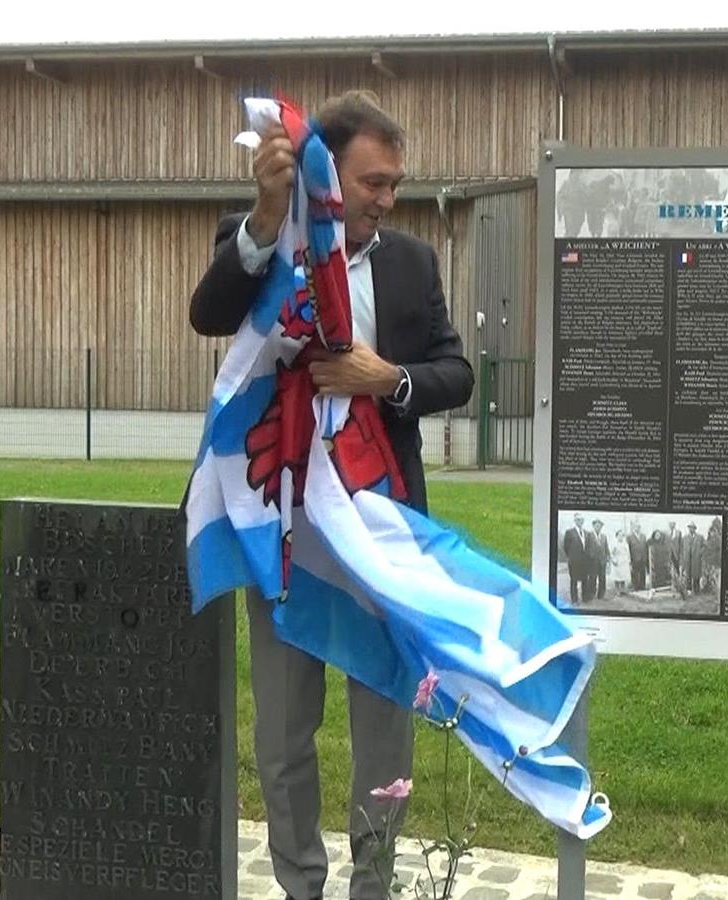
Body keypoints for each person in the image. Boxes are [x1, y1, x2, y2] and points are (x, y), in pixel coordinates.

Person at [188, 90, 474, 900]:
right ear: (326, 172)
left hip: (383, 532)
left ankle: (373, 885)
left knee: (385, 724)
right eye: (373, 181)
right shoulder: (263, 236)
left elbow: (457, 373)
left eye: (395, 183)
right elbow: (209, 312)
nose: (388, 198)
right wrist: (266, 216)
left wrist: (387, 378)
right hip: (283, 530)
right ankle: (300, 886)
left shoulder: (411, 262)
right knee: (283, 733)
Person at [561, 514, 590, 604]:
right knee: (574, 580)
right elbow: (565, 547)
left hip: (584, 561)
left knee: (585, 580)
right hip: (574, 561)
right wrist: (571, 556)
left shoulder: (586, 533)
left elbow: (588, 547)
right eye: (578, 520)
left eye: (581, 520)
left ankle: (585, 598)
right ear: (575, 521)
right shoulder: (570, 532)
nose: (580, 522)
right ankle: (574, 600)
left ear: (583, 521)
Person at [626, 522, 649, 592]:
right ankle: (635, 587)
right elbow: (628, 548)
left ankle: (642, 586)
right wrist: (629, 559)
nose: (637, 528)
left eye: (639, 527)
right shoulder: (629, 537)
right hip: (634, 558)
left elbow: (646, 547)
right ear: (633, 528)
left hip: (643, 557)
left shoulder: (643, 536)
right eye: (636, 527)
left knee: (642, 572)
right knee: (635, 573)